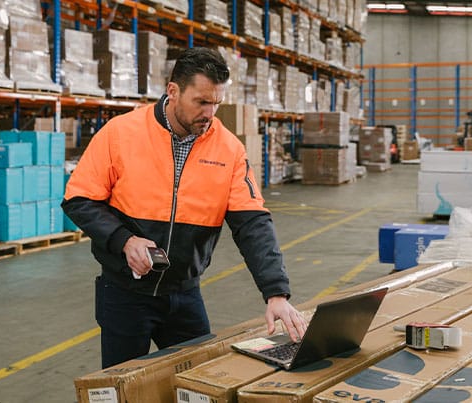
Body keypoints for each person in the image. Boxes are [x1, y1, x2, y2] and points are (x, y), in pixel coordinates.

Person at [62, 47, 308, 369]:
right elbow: (78, 199)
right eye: (201, 102)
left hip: (184, 295)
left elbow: (253, 224)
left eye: (216, 103)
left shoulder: (230, 150)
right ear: (173, 91)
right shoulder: (121, 134)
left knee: (199, 381)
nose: (209, 113)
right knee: (121, 387)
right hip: (124, 293)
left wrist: (276, 293)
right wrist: (124, 240)